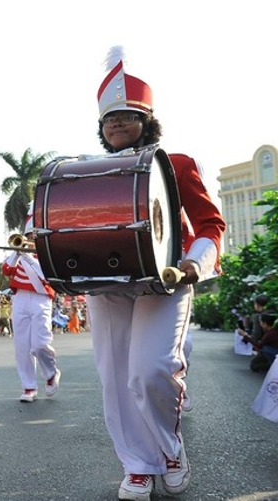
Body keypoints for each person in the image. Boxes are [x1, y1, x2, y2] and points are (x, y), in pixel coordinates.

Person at [87, 47, 226, 500]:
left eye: (127, 117)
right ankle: (136, 465)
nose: (118, 125)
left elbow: (210, 225)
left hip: (166, 280)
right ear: (102, 129)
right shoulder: (88, 173)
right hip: (107, 285)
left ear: (147, 121)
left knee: (149, 372)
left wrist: (195, 263)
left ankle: (169, 448)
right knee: (115, 379)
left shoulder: (177, 164)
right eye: (111, 120)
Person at [1, 214, 60, 403]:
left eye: (35, 235)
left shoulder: (48, 254)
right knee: (22, 347)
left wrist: (29, 257)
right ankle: (29, 386)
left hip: (41, 299)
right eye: (29, 235)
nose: (31, 238)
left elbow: (47, 276)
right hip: (19, 299)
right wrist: (17, 251)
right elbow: (6, 270)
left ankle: (50, 372)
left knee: (40, 344)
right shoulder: (19, 255)